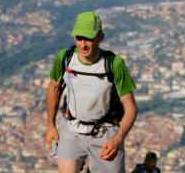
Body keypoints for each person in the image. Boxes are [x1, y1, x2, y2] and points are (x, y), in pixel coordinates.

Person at [45, 11, 138, 173]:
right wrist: (51, 125)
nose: (83, 44)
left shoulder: (113, 64)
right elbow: (54, 88)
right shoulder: (65, 58)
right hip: (72, 129)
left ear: (100, 37)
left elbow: (131, 107)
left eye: (88, 38)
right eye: (79, 38)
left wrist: (117, 139)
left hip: (105, 132)